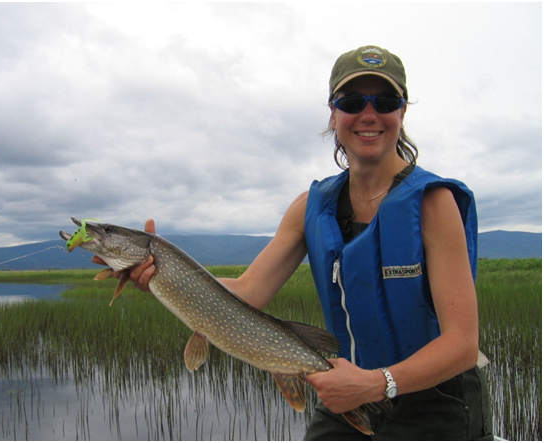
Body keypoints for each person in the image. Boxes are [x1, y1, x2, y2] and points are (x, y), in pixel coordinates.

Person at [100, 45, 492, 440]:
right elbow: (247, 293)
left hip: (436, 398)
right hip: (346, 389)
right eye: (352, 101)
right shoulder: (309, 208)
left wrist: (377, 383)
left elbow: (462, 344)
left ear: (402, 112)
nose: (369, 114)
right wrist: (163, 274)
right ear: (334, 113)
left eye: (385, 101)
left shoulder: (433, 204)